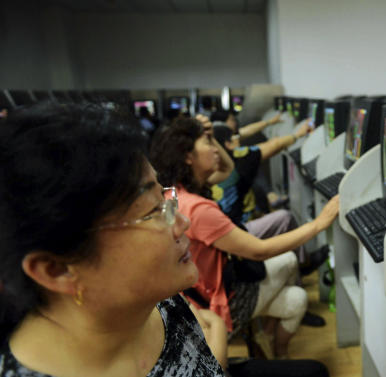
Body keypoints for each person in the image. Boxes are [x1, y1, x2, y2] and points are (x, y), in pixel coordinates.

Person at [0, 102, 330, 377]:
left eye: (166, 201)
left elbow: (207, 326)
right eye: (153, 212)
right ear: (57, 269)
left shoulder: (161, 300)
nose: (181, 222)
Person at [149, 117, 339, 359]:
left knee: (297, 299)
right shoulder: (198, 209)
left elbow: (228, 169)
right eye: (207, 142)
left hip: (207, 292)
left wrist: (210, 136)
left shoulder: (178, 192)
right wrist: (319, 224)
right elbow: (259, 250)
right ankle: (274, 347)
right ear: (188, 156)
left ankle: (273, 346)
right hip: (222, 303)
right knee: (290, 261)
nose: (215, 149)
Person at [210, 118, 330, 278]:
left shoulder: (206, 171)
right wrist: (298, 135)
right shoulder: (239, 159)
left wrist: (269, 122)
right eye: (234, 138)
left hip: (228, 233)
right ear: (228, 144)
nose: (238, 139)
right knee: (285, 218)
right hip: (237, 233)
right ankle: (303, 264)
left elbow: (245, 131)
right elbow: (273, 146)